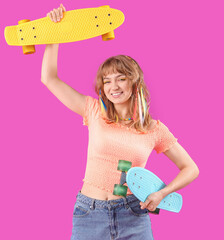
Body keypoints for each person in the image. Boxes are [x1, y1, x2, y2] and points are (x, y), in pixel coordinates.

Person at [42, 4, 200, 240]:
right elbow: (49, 79)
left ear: (134, 83)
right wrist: (53, 34)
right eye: (107, 81)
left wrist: (161, 194)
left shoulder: (154, 129)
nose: (113, 87)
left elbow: (191, 169)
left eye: (121, 79)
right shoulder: (94, 110)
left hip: (133, 216)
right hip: (89, 214)